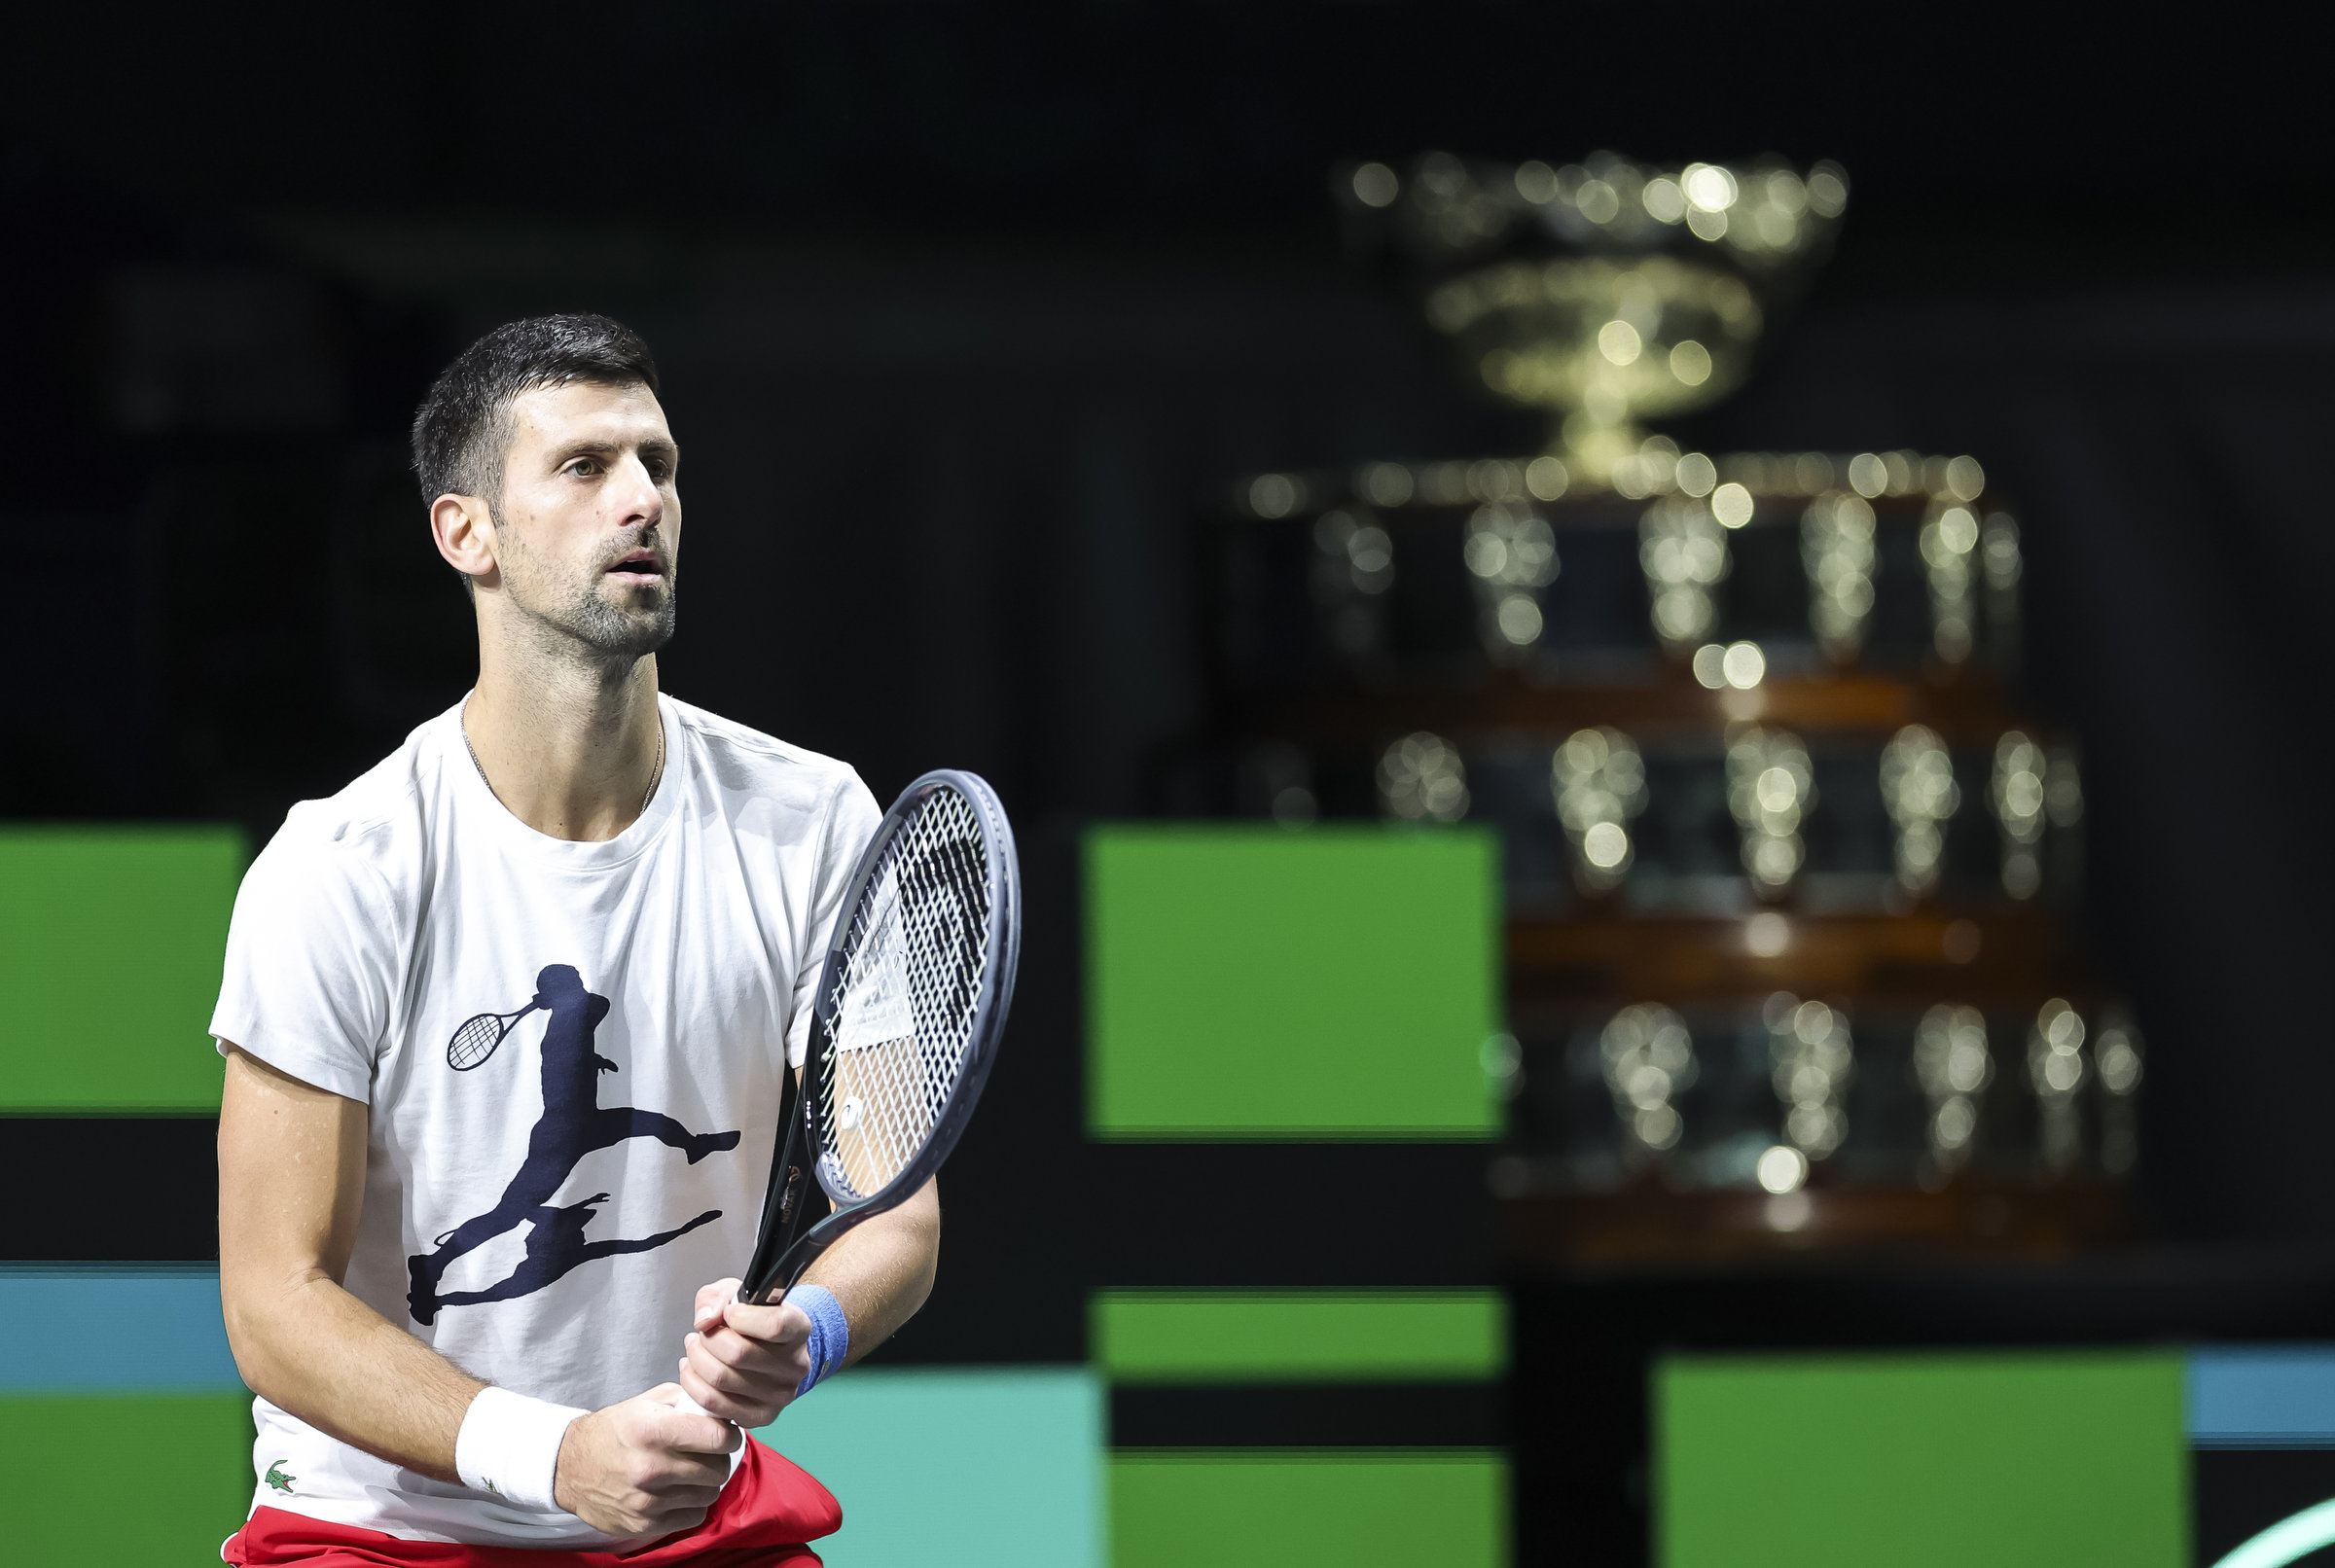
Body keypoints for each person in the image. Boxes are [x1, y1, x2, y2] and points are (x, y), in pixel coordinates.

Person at [213, 313, 941, 1565]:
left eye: (657, 464)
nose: (641, 499)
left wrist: (810, 1328)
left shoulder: (813, 822)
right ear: (466, 534)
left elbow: (896, 1215)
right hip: (389, 1530)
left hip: (684, 1521)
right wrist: (554, 1454)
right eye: (583, 466)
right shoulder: (342, 868)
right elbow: (275, 1301)